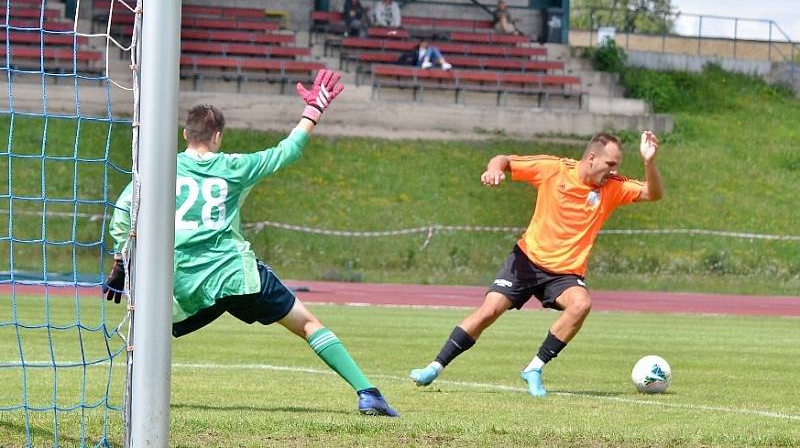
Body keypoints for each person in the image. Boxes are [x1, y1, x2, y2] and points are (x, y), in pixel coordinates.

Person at [103, 70, 399, 417]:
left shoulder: (159, 167)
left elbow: (124, 212)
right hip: (234, 275)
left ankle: (137, 399)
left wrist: (121, 261)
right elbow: (286, 151)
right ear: (217, 137)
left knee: (151, 329)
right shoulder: (235, 166)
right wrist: (313, 112)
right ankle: (368, 393)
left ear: (185, 134)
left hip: (183, 282)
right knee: (307, 324)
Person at [409, 131, 663, 397]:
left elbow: (652, 193)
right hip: (527, 260)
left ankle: (534, 368)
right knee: (490, 310)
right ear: (591, 158)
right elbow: (504, 159)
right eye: (611, 164)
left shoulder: (612, 186)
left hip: (565, 273)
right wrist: (493, 170)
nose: (615, 170)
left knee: (581, 304)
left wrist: (649, 162)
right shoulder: (554, 169)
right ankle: (434, 367)